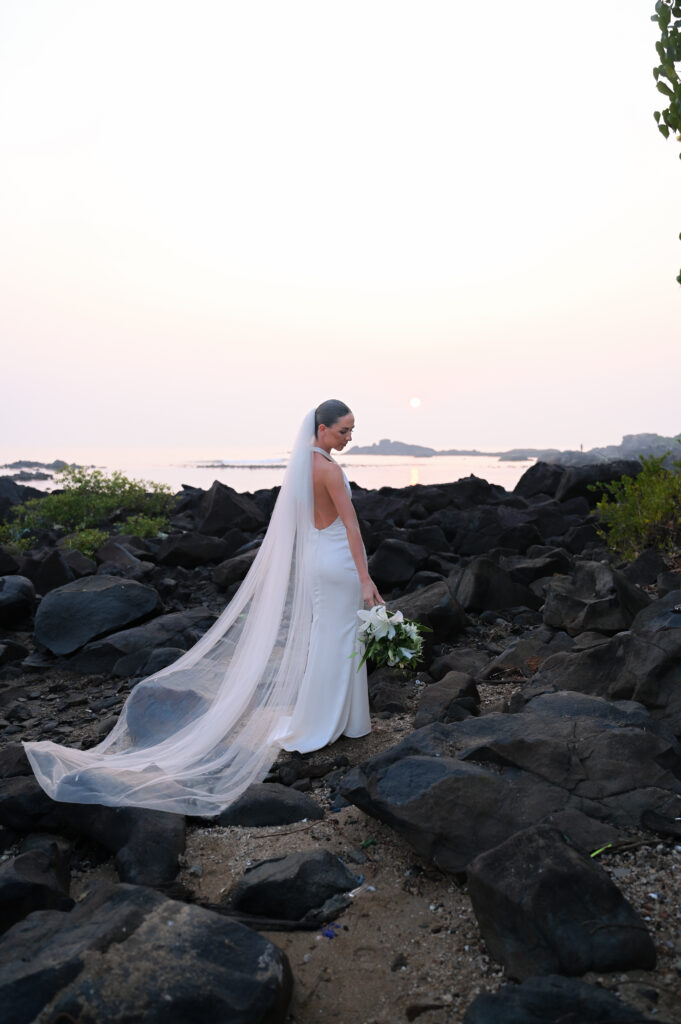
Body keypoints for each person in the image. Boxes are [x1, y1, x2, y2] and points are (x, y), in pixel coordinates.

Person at [23, 401, 382, 816]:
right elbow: (351, 525)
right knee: (339, 636)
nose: (349, 438)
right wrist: (365, 577)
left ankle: (325, 718)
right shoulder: (329, 470)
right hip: (338, 562)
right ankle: (334, 721)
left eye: (352, 430)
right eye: (343, 431)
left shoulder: (302, 465)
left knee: (327, 636)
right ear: (321, 429)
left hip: (319, 559)